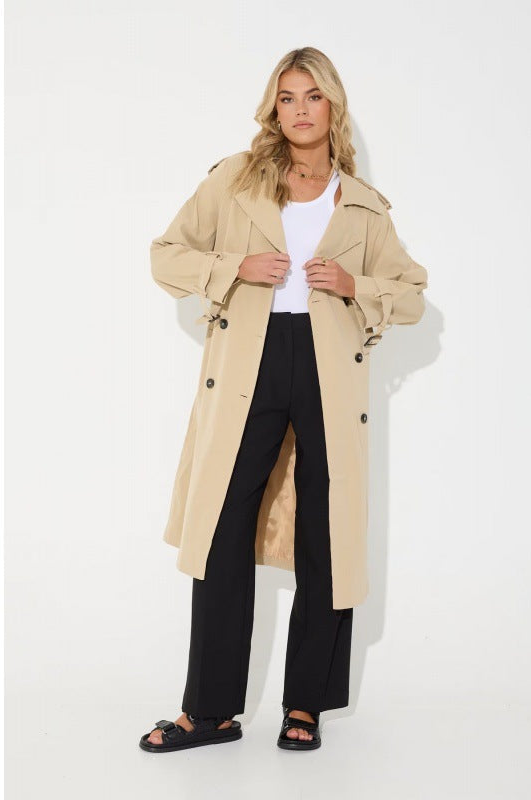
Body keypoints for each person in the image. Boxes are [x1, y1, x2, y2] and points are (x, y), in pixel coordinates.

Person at [139, 47, 428, 754]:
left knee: (327, 532)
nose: (300, 109)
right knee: (222, 526)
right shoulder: (237, 180)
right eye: (288, 96)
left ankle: (307, 705)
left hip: (329, 369)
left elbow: (413, 294)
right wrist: (234, 266)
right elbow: (166, 255)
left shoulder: (361, 204)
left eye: (313, 96)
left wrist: (357, 286)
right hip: (251, 360)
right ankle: (211, 712)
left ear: (334, 106)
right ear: (274, 106)